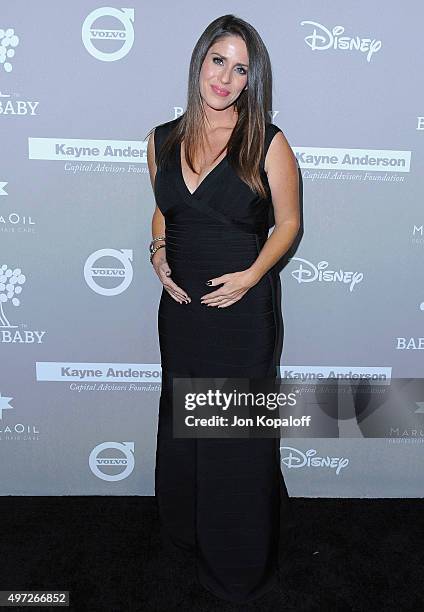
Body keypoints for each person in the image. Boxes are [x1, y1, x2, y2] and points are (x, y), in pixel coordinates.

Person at [146, 14, 300, 604]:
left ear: (250, 80)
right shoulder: (161, 138)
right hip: (182, 316)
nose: (227, 77)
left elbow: (288, 223)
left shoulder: (267, 141)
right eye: (219, 61)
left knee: (234, 437)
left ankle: (237, 566)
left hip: (241, 316)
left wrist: (252, 276)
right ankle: (185, 538)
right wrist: (159, 256)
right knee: (184, 425)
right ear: (199, 62)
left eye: (241, 69)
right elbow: (164, 208)